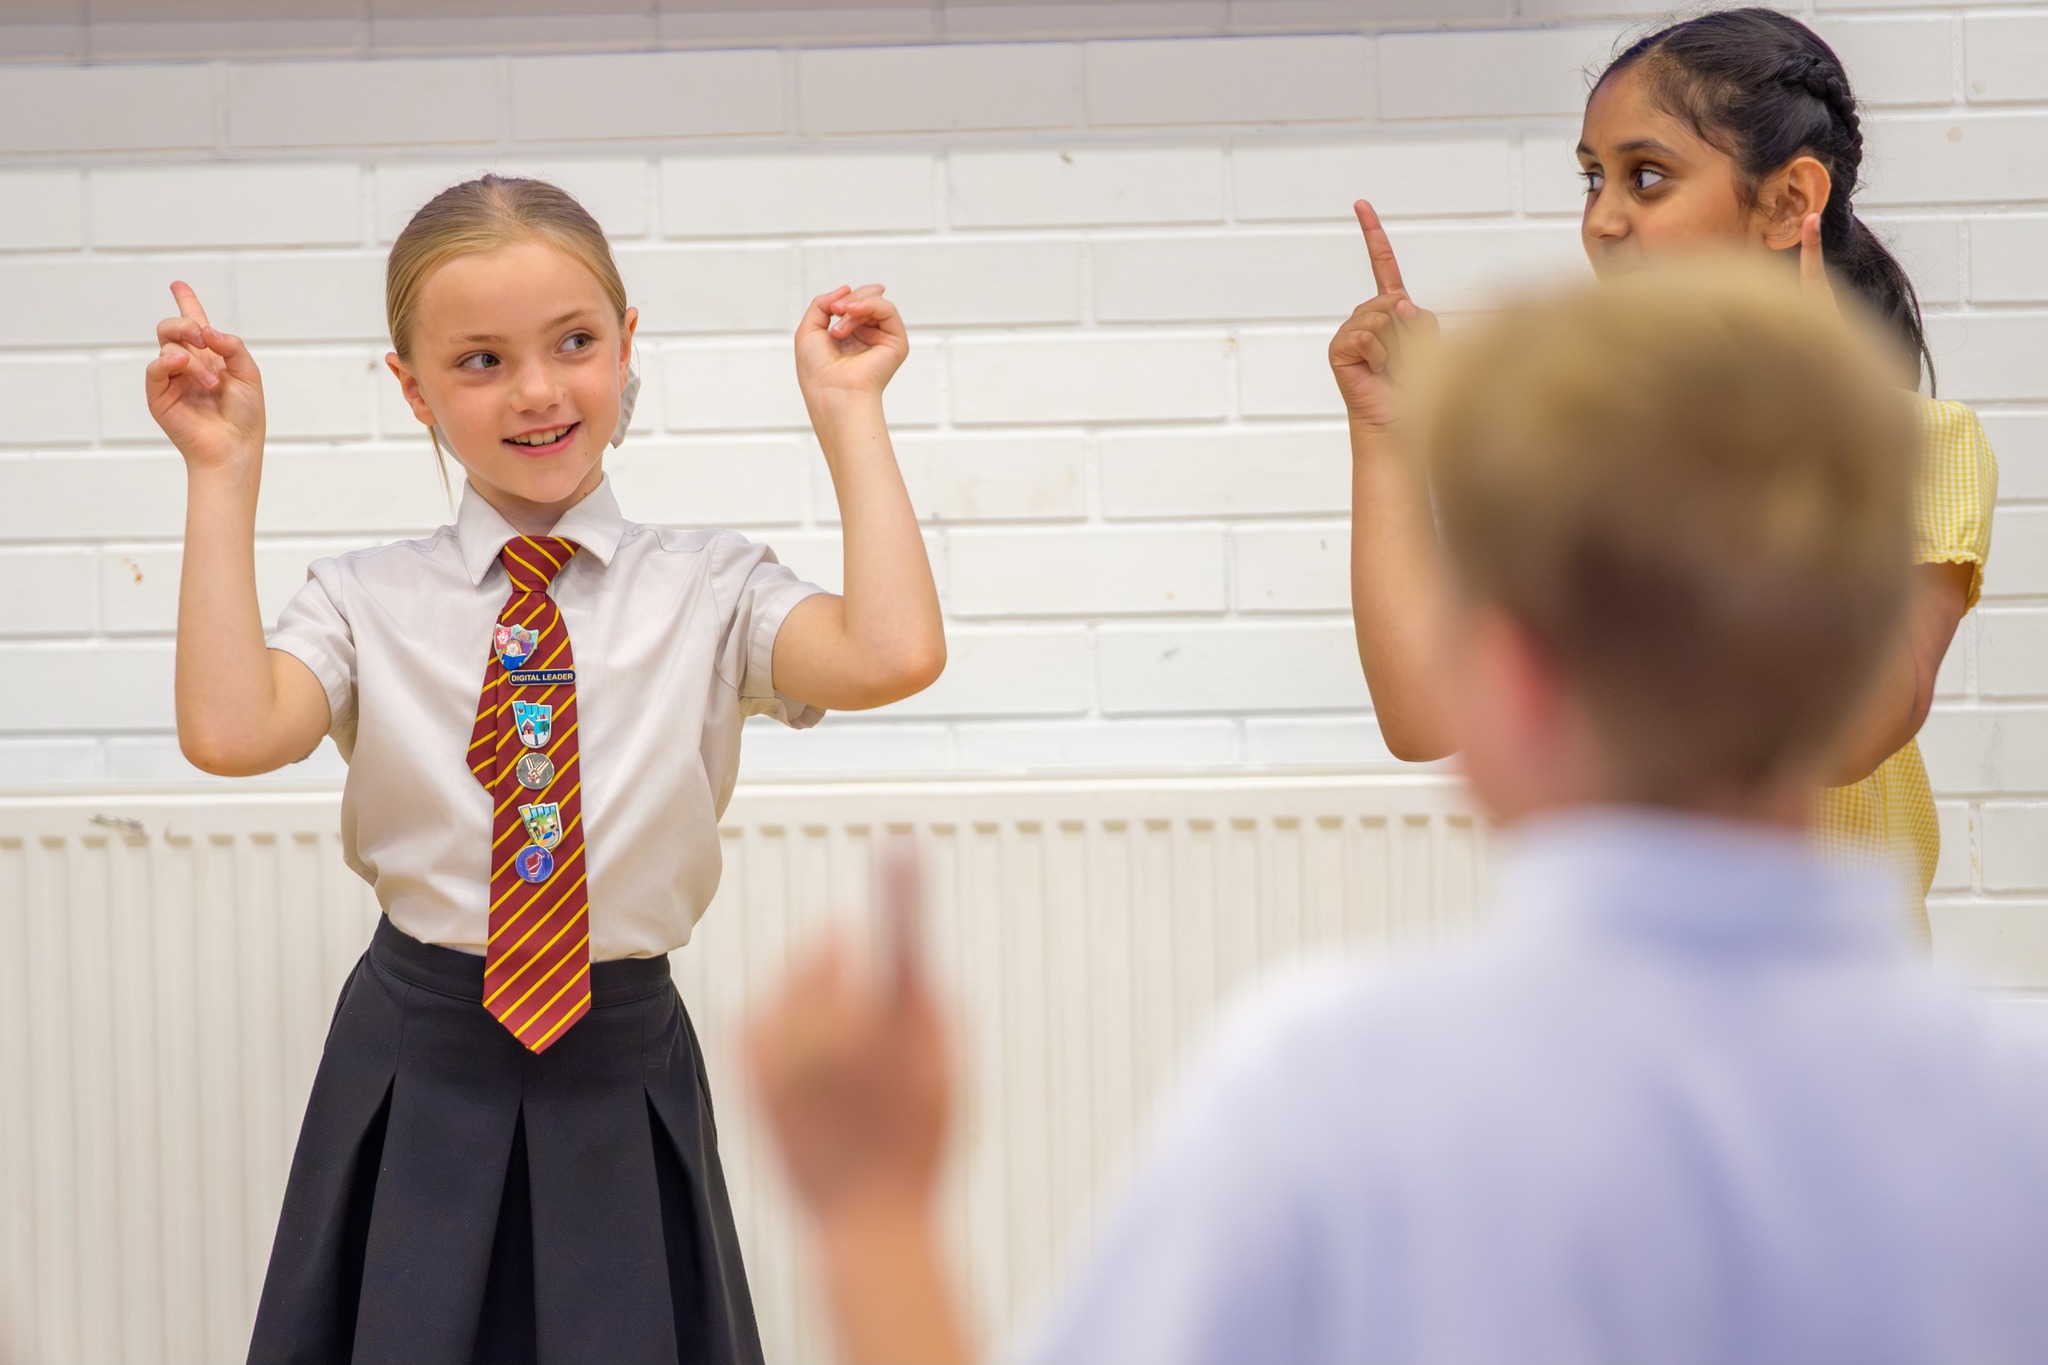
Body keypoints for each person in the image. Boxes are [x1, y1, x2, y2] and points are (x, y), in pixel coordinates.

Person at [745, 267, 2048, 1364]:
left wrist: (872, 1212)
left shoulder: (1334, 1086)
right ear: (1864, 646)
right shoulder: (2013, 1098)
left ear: (1507, 684)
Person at [148, 174, 945, 1364]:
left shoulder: (711, 588)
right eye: (478, 361)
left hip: (618, 1061)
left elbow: (891, 653)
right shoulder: (364, 600)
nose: (535, 391)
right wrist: (222, 475)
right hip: (416, 1060)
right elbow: (229, 729)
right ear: (411, 387)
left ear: (627, 347)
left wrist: (846, 412)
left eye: (573, 342)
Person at [1337, 8, 1996, 940]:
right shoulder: (1580, 451)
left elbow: (1854, 732)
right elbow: (1423, 711)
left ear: (1786, 203)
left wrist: (1802, 421)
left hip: (1826, 1020)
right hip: (1612, 989)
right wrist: (1386, 436)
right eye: (1592, 179)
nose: (1603, 219)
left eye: (1647, 178)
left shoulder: (1918, 443)